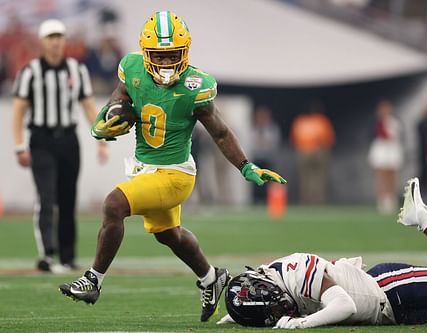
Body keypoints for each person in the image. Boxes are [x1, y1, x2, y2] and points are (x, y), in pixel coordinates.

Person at [58, 11, 286, 322]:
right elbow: (119, 99)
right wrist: (104, 122)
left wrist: (246, 167)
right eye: (160, 57)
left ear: (185, 52)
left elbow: (220, 131)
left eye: (172, 56)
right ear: (147, 53)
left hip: (176, 175)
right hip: (144, 169)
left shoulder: (195, 84)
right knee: (168, 235)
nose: (166, 64)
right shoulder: (132, 67)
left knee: (114, 205)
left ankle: (93, 280)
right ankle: (211, 278)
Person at [219, 177, 427, 328]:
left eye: (274, 305)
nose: (278, 309)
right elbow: (253, 303)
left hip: (388, 289)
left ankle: (421, 217)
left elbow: (344, 306)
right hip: (385, 308)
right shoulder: (269, 281)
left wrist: (303, 323)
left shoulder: (295, 271)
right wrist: (236, 313)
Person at [12, 19, 109, 273]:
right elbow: (19, 109)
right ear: (42, 41)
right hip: (41, 139)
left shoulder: (76, 70)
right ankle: (46, 255)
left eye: (59, 36)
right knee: (46, 197)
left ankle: (67, 257)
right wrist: (19, 145)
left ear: (64, 40)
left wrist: (101, 138)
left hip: (68, 139)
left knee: (68, 198)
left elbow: (88, 105)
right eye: (50, 37)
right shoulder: (30, 71)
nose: (55, 41)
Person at [290, 101, 335, 205]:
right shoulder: (322, 121)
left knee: (305, 178)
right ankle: (318, 200)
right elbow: (328, 138)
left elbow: (293, 139)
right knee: (319, 178)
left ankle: (306, 200)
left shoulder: (300, 121)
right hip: (318, 151)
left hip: (303, 151)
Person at [368, 98, 403, 214]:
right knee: (381, 175)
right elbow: (372, 135)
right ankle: (382, 199)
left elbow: (398, 135)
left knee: (392, 175)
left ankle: (391, 198)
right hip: (381, 149)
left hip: (392, 149)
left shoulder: (395, 122)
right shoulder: (376, 123)